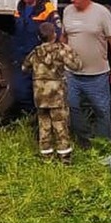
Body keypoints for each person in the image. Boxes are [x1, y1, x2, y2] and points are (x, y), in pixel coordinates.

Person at [62, 0, 111, 145]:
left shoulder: (102, 13)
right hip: (72, 74)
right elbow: (64, 37)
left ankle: (104, 142)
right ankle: (85, 141)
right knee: (73, 108)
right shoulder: (68, 11)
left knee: (101, 110)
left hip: (97, 75)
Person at [21, 22, 82, 164]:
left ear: (38, 36)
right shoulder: (61, 50)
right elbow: (77, 66)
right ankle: (64, 157)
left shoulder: (35, 52)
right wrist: (72, 51)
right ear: (55, 35)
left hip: (40, 96)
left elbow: (24, 67)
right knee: (60, 124)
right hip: (57, 95)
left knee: (44, 124)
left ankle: (46, 156)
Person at [12, 0, 62, 113]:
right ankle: (28, 117)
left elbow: (57, 34)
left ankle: (38, 121)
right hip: (22, 56)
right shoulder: (20, 7)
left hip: (40, 58)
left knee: (41, 93)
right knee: (20, 90)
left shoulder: (47, 8)